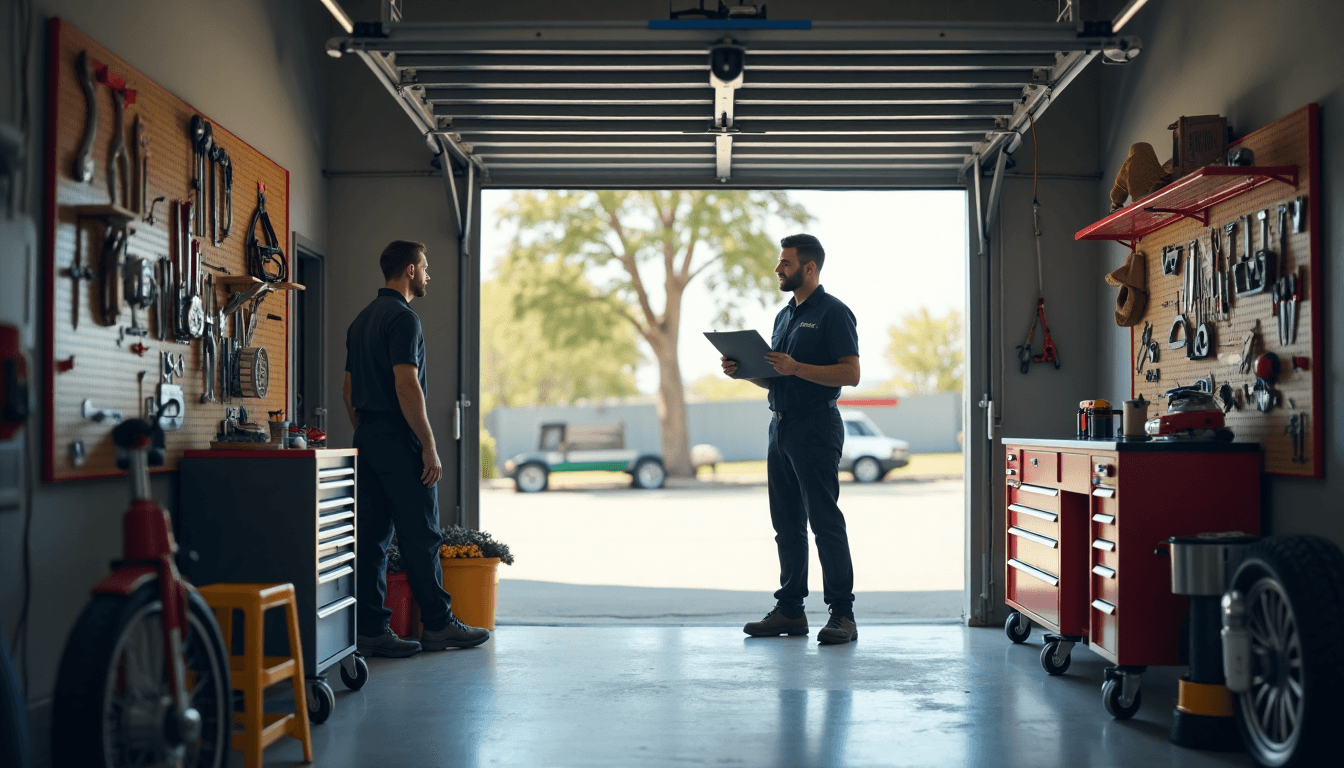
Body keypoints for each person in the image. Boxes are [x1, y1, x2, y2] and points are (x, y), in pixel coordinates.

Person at [343, 240, 490, 656]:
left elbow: (348, 390)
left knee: (370, 539)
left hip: (367, 439)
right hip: (399, 438)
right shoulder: (403, 319)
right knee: (420, 535)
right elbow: (406, 384)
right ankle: (439, 626)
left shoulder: (361, 321)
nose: (428, 275)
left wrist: (368, 431)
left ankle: (370, 630)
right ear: (409, 270)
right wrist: (428, 445)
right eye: (425, 267)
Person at [721, 234, 860, 645]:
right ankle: (790, 611)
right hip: (779, 427)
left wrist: (798, 367)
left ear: (809, 268)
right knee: (787, 526)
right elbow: (777, 375)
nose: (778, 269)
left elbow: (850, 374)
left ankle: (842, 615)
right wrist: (742, 368)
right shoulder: (784, 316)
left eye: (785, 263)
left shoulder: (834, 313)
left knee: (825, 523)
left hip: (816, 427)